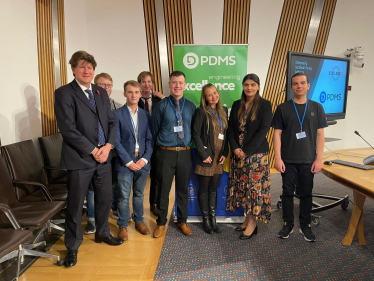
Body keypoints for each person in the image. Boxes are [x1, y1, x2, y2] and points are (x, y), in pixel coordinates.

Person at [54, 51, 123, 268]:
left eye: (90, 67)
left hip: (104, 158)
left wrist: (108, 146)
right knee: (75, 206)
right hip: (79, 159)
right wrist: (94, 150)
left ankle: (102, 233)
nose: (87, 71)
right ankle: (72, 247)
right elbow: (68, 129)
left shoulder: (101, 93)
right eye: (82, 67)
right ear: (73, 69)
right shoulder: (64, 93)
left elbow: (112, 123)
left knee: (104, 199)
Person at [272, 72, 327, 242]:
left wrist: (319, 159)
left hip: (308, 160)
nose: (299, 86)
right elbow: (277, 135)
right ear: (291, 87)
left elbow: (320, 135)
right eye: (295, 83)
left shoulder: (317, 108)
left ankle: (305, 225)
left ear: (308, 86)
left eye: (302, 83)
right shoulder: (282, 108)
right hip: (287, 160)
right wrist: (278, 158)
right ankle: (288, 223)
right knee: (287, 193)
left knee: (306, 194)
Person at [226, 73, 272, 240]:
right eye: (246, 84)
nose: (249, 87)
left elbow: (263, 131)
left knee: (254, 190)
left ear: (258, 86)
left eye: (253, 84)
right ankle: (247, 219)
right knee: (243, 189)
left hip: (257, 156)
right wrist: (236, 148)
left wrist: (246, 151)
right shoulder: (237, 104)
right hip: (238, 155)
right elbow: (231, 129)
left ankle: (253, 223)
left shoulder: (265, 105)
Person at [151, 70, 196, 238]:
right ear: (169, 84)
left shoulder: (191, 106)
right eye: (174, 82)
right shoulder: (161, 106)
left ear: (185, 85)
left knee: (183, 189)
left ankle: (182, 221)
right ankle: (161, 223)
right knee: (163, 189)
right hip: (166, 153)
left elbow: (193, 130)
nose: (177, 85)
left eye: (180, 82)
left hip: (184, 153)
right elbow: (154, 130)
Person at [113, 80, 153, 241]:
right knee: (123, 196)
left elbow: (150, 139)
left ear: (140, 94)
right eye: (130, 92)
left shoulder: (145, 114)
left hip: (142, 161)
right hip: (125, 162)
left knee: (139, 194)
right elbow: (116, 141)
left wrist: (144, 159)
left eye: (136, 92)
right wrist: (129, 162)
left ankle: (139, 221)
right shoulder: (117, 114)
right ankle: (123, 225)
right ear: (125, 94)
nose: (134, 95)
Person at [85, 73, 123, 235]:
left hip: (112, 153)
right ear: (95, 86)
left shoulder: (116, 106)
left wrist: (109, 147)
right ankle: (92, 219)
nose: (106, 88)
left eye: (109, 85)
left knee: (112, 185)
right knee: (92, 189)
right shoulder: (88, 104)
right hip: (92, 153)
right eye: (102, 85)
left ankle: (113, 209)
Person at [192, 84, 229, 234]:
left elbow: (226, 136)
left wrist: (225, 153)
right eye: (209, 95)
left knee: (214, 188)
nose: (214, 96)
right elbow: (196, 135)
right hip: (206, 158)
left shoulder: (224, 111)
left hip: (219, 158)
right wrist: (203, 155)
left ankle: (213, 219)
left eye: (215, 93)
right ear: (205, 97)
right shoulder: (201, 112)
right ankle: (206, 220)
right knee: (204, 189)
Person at [137, 71, 164, 217]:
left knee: (157, 175)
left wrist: (163, 97)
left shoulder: (158, 100)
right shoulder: (135, 99)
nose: (146, 84)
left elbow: (173, 107)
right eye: (143, 81)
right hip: (140, 143)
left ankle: (153, 203)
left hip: (157, 143)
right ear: (139, 83)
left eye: (149, 82)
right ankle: (137, 208)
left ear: (153, 84)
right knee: (140, 175)